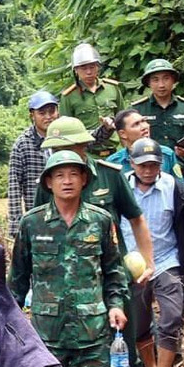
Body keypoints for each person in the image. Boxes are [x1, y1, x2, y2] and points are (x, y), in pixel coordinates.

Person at [11, 152, 132, 367]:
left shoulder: (99, 220)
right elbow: (17, 280)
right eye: (59, 175)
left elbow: (114, 271)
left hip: (92, 331)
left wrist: (115, 304)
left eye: (73, 174)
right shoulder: (31, 224)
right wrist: (11, 325)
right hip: (45, 336)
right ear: (48, 182)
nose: (66, 180)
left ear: (84, 180)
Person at [122, 136, 184, 367]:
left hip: (168, 260)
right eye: (142, 165)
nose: (148, 170)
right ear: (132, 163)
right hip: (133, 265)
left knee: (171, 317)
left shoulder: (173, 187)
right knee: (139, 321)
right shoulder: (121, 187)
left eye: (153, 165)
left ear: (161, 165)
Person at [31, 116, 156, 278]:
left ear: (83, 146)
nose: (62, 155)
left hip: (111, 273)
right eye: (56, 150)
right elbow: (36, 229)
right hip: (65, 277)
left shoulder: (110, 175)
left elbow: (136, 218)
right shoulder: (49, 182)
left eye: (68, 148)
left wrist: (148, 263)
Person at [129, 58, 184, 313]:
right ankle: (153, 295)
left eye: (165, 78)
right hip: (145, 181)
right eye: (155, 79)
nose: (161, 84)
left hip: (181, 181)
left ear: (174, 81)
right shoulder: (138, 109)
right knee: (150, 234)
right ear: (148, 83)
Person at [6, 90, 59, 243]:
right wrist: (16, 226)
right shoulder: (22, 144)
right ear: (32, 115)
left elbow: (91, 140)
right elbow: (14, 185)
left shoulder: (65, 136)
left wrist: (107, 129)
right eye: (42, 113)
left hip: (68, 211)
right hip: (38, 213)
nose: (48, 117)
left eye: (52, 111)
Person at [58, 42, 120, 134]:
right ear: (76, 70)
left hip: (113, 146)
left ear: (98, 67)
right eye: (83, 68)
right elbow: (66, 130)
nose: (89, 72)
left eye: (92, 67)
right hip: (85, 146)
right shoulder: (68, 96)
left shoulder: (112, 88)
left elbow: (122, 119)